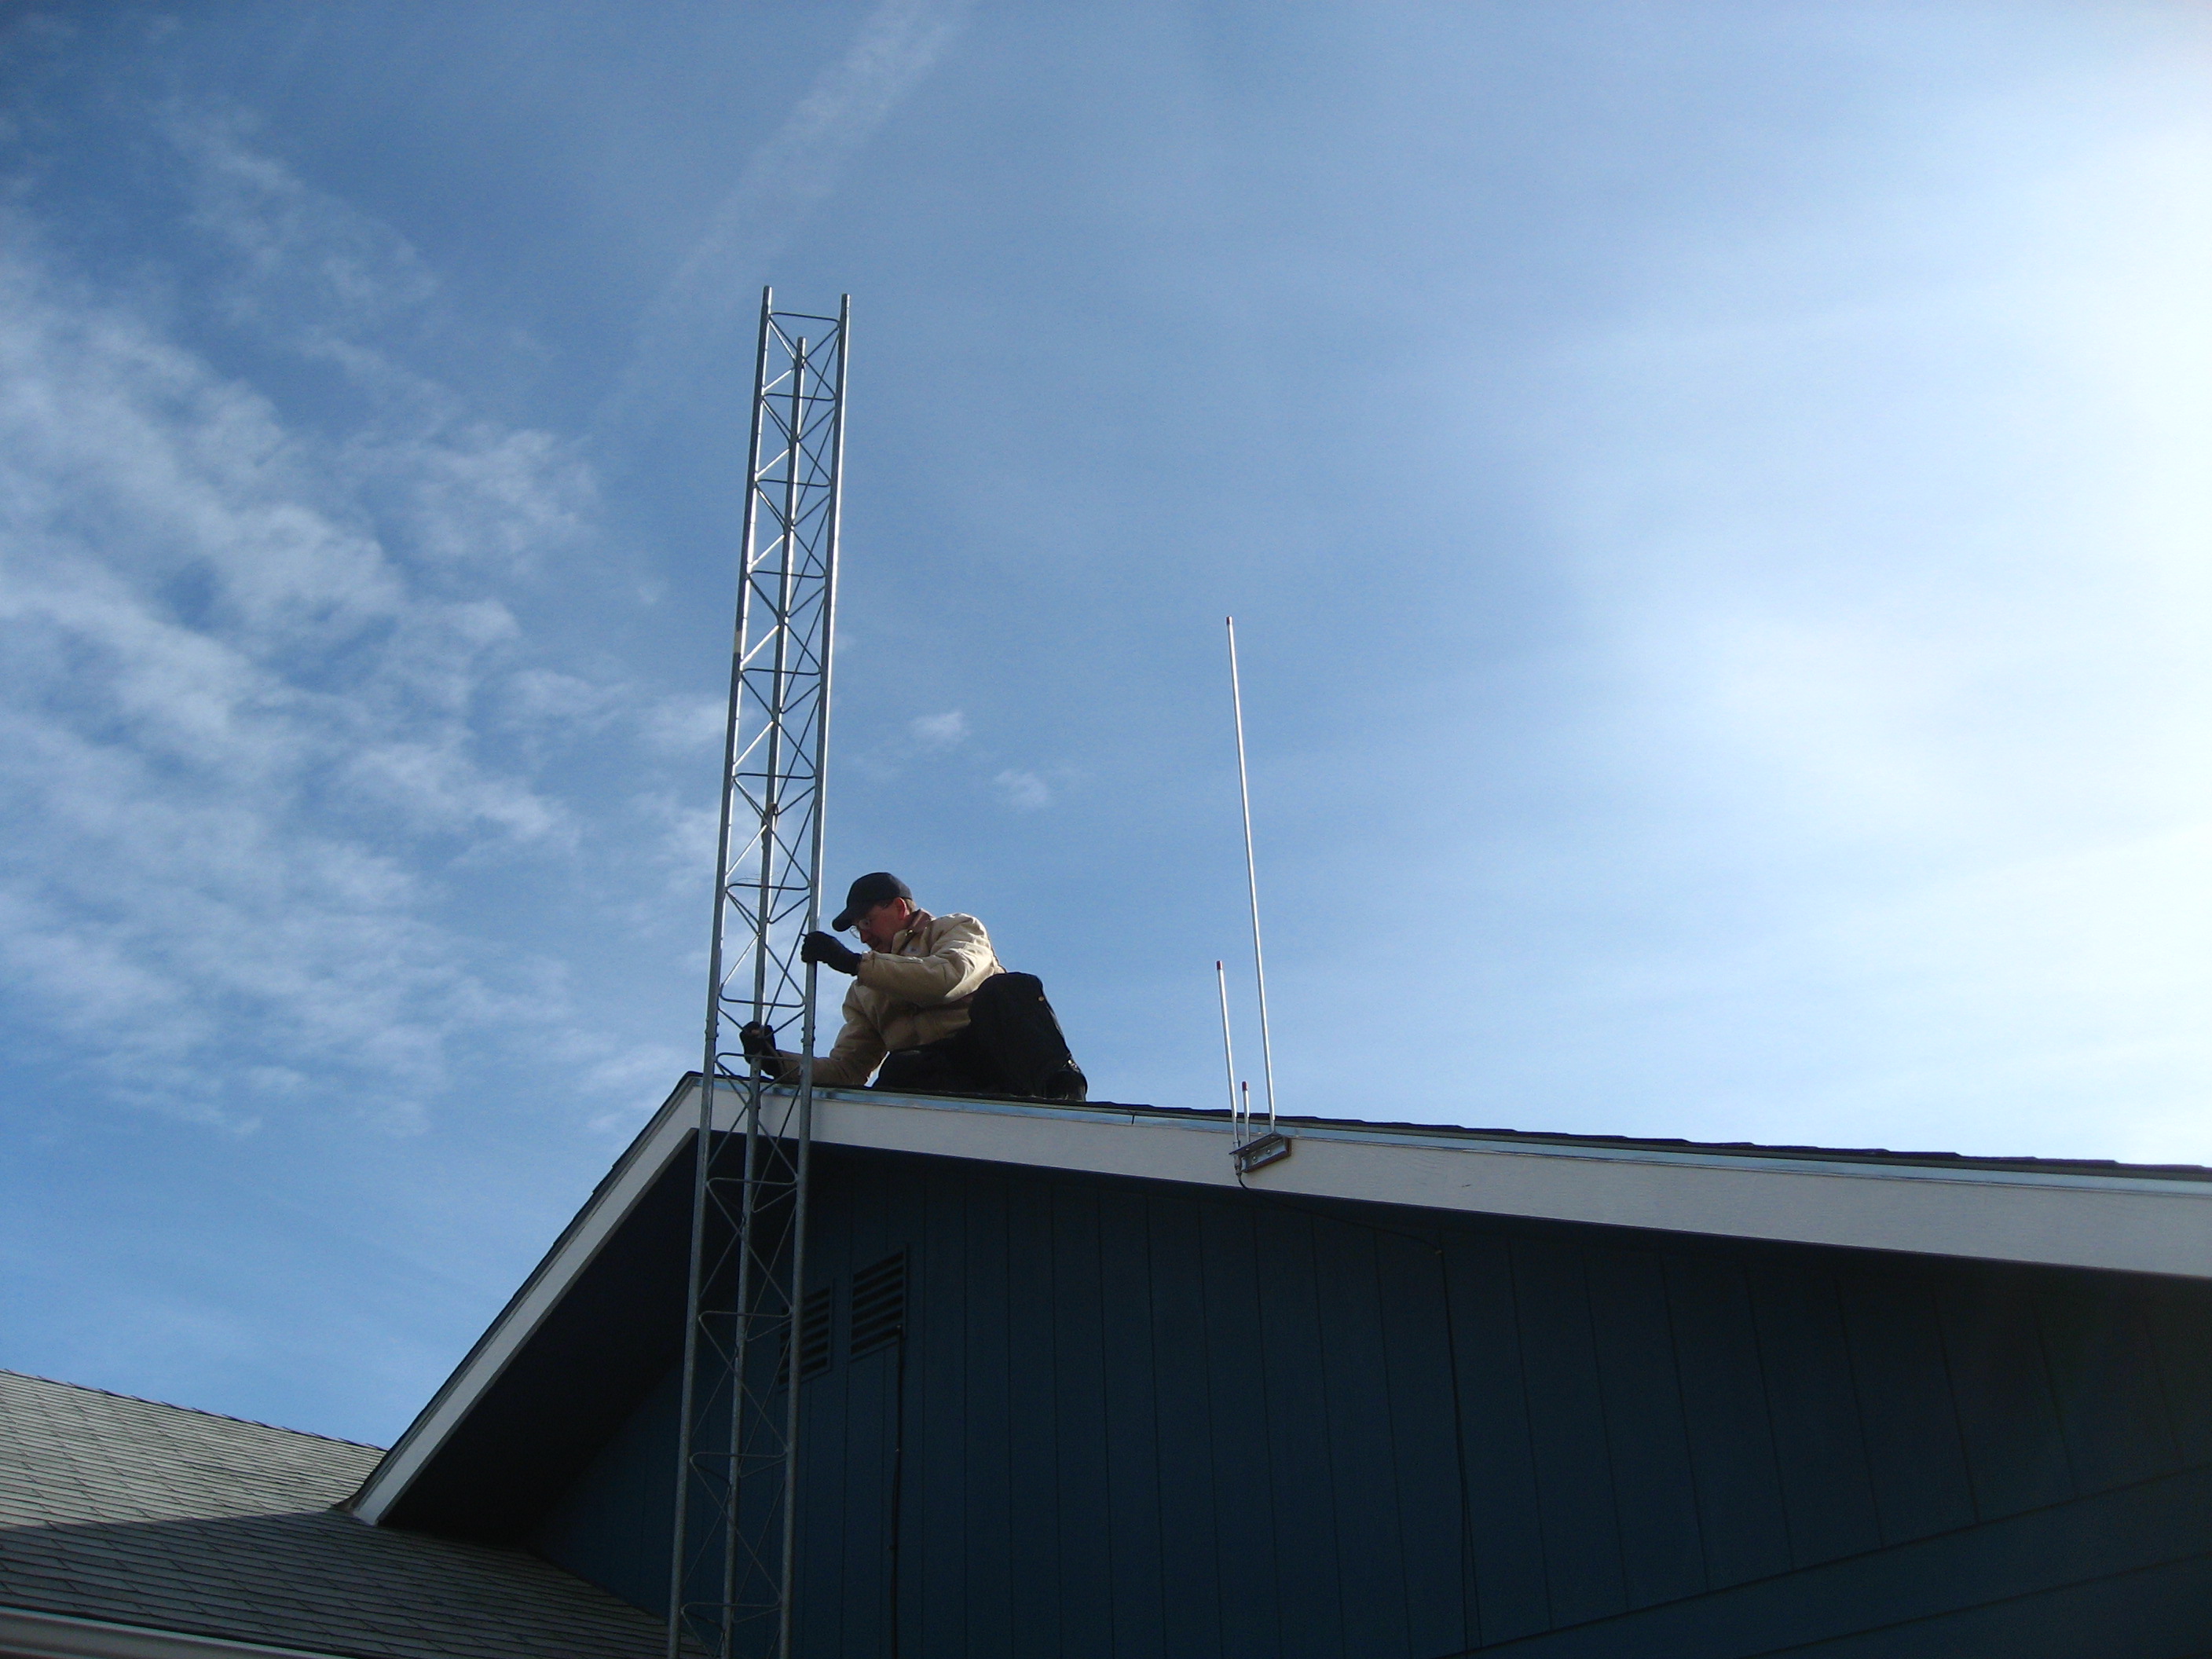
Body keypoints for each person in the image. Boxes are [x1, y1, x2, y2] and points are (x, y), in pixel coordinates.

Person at [739, 871, 1086, 1101]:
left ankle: (1061, 1090)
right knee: (899, 1066)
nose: (864, 935)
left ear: (900, 907)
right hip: (935, 1077)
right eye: (856, 929)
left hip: (990, 1057)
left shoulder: (956, 929)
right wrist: (776, 1061)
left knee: (1011, 989)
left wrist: (853, 962)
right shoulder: (864, 991)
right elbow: (848, 1070)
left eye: (867, 921)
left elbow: (947, 979)